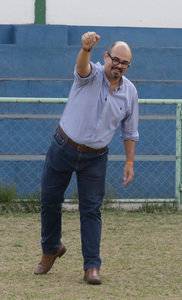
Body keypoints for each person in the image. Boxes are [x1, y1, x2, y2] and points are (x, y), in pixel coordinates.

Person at [34, 31, 139, 284]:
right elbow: (81, 66)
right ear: (106, 57)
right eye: (116, 60)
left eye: (125, 63)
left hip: (95, 158)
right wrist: (85, 49)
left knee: (91, 210)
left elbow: (129, 130)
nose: (119, 66)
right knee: (50, 201)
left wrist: (129, 161)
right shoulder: (90, 74)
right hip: (63, 147)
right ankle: (51, 249)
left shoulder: (130, 92)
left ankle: (92, 266)